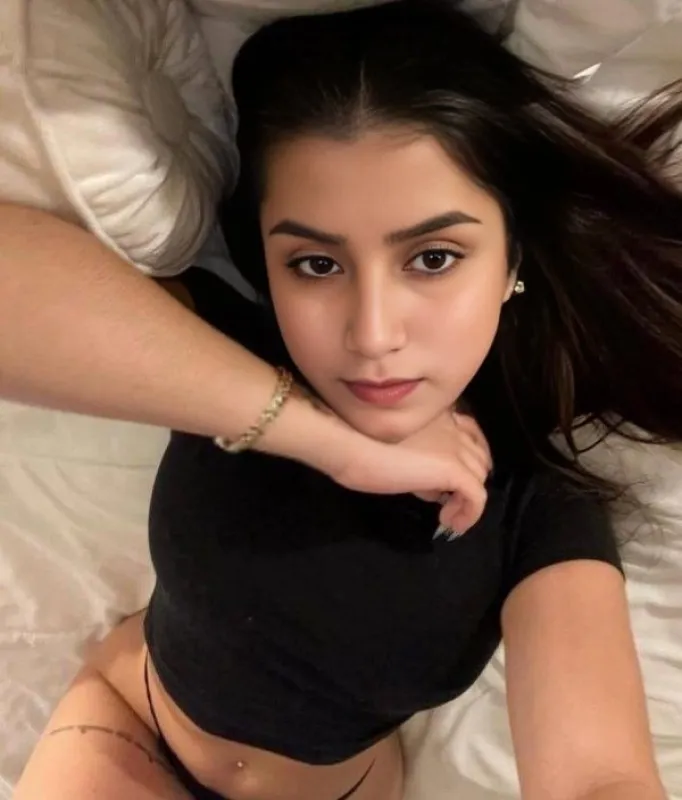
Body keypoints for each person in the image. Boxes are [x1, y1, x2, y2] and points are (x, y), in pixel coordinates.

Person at [13, 1, 682, 799]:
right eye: (317, 265)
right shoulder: (226, 355)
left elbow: (598, 778)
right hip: (129, 725)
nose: (372, 335)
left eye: (433, 258)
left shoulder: (534, 508)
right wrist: (327, 439)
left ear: (512, 262)